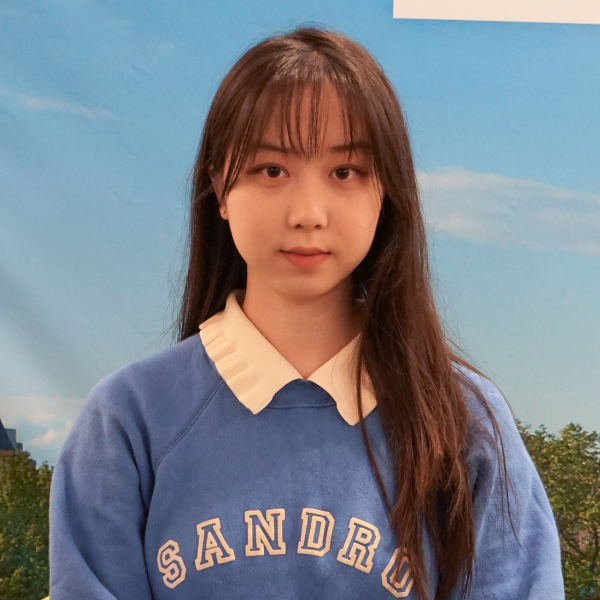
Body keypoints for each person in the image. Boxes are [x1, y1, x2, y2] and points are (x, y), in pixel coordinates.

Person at [49, 25, 564, 600]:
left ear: (386, 191)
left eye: (345, 172)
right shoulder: (127, 422)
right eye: (272, 170)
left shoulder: (463, 421)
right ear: (219, 186)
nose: (308, 213)